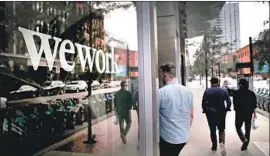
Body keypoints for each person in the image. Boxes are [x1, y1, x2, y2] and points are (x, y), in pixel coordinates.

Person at [158, 63, 194, 156]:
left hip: (168, 138)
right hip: (182, 137)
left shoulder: (161, 93)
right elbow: (191, 115)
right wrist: (185, 133)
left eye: (161, 75)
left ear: (165, 75)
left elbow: (154, 117)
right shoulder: (187, 91)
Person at [202, 77, 231, 156]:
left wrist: (205, 110)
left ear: (211, 82)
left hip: (210, 112)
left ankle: (214, 146)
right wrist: (227, 108)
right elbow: (228, 101)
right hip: (221, 112)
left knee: (212, 129)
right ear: (218, 82)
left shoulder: (207, 91)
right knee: (221, 129)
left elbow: (204, 102)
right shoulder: (223, 90)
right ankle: (221, 143)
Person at [233, 79, 257, 151]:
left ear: (240, 85)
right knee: (247, 130)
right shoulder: (251, 93)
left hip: (239, 114)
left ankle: (243, 139)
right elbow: (254, 105)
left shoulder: (237, 93)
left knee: (238, 127)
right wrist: (254, 113)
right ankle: (246, 144)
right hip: (248, 114)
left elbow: (235, 103)